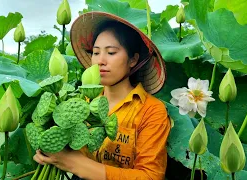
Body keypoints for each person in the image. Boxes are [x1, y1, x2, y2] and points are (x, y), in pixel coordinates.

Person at [33, 11, 171, 180]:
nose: (100, 61)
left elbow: (151, 177)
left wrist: (72, 162)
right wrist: (49, 150)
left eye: (111, 52)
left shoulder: (152, 110)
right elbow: (64, 146)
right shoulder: (80, 102)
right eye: (96, 53)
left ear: (133, 60)